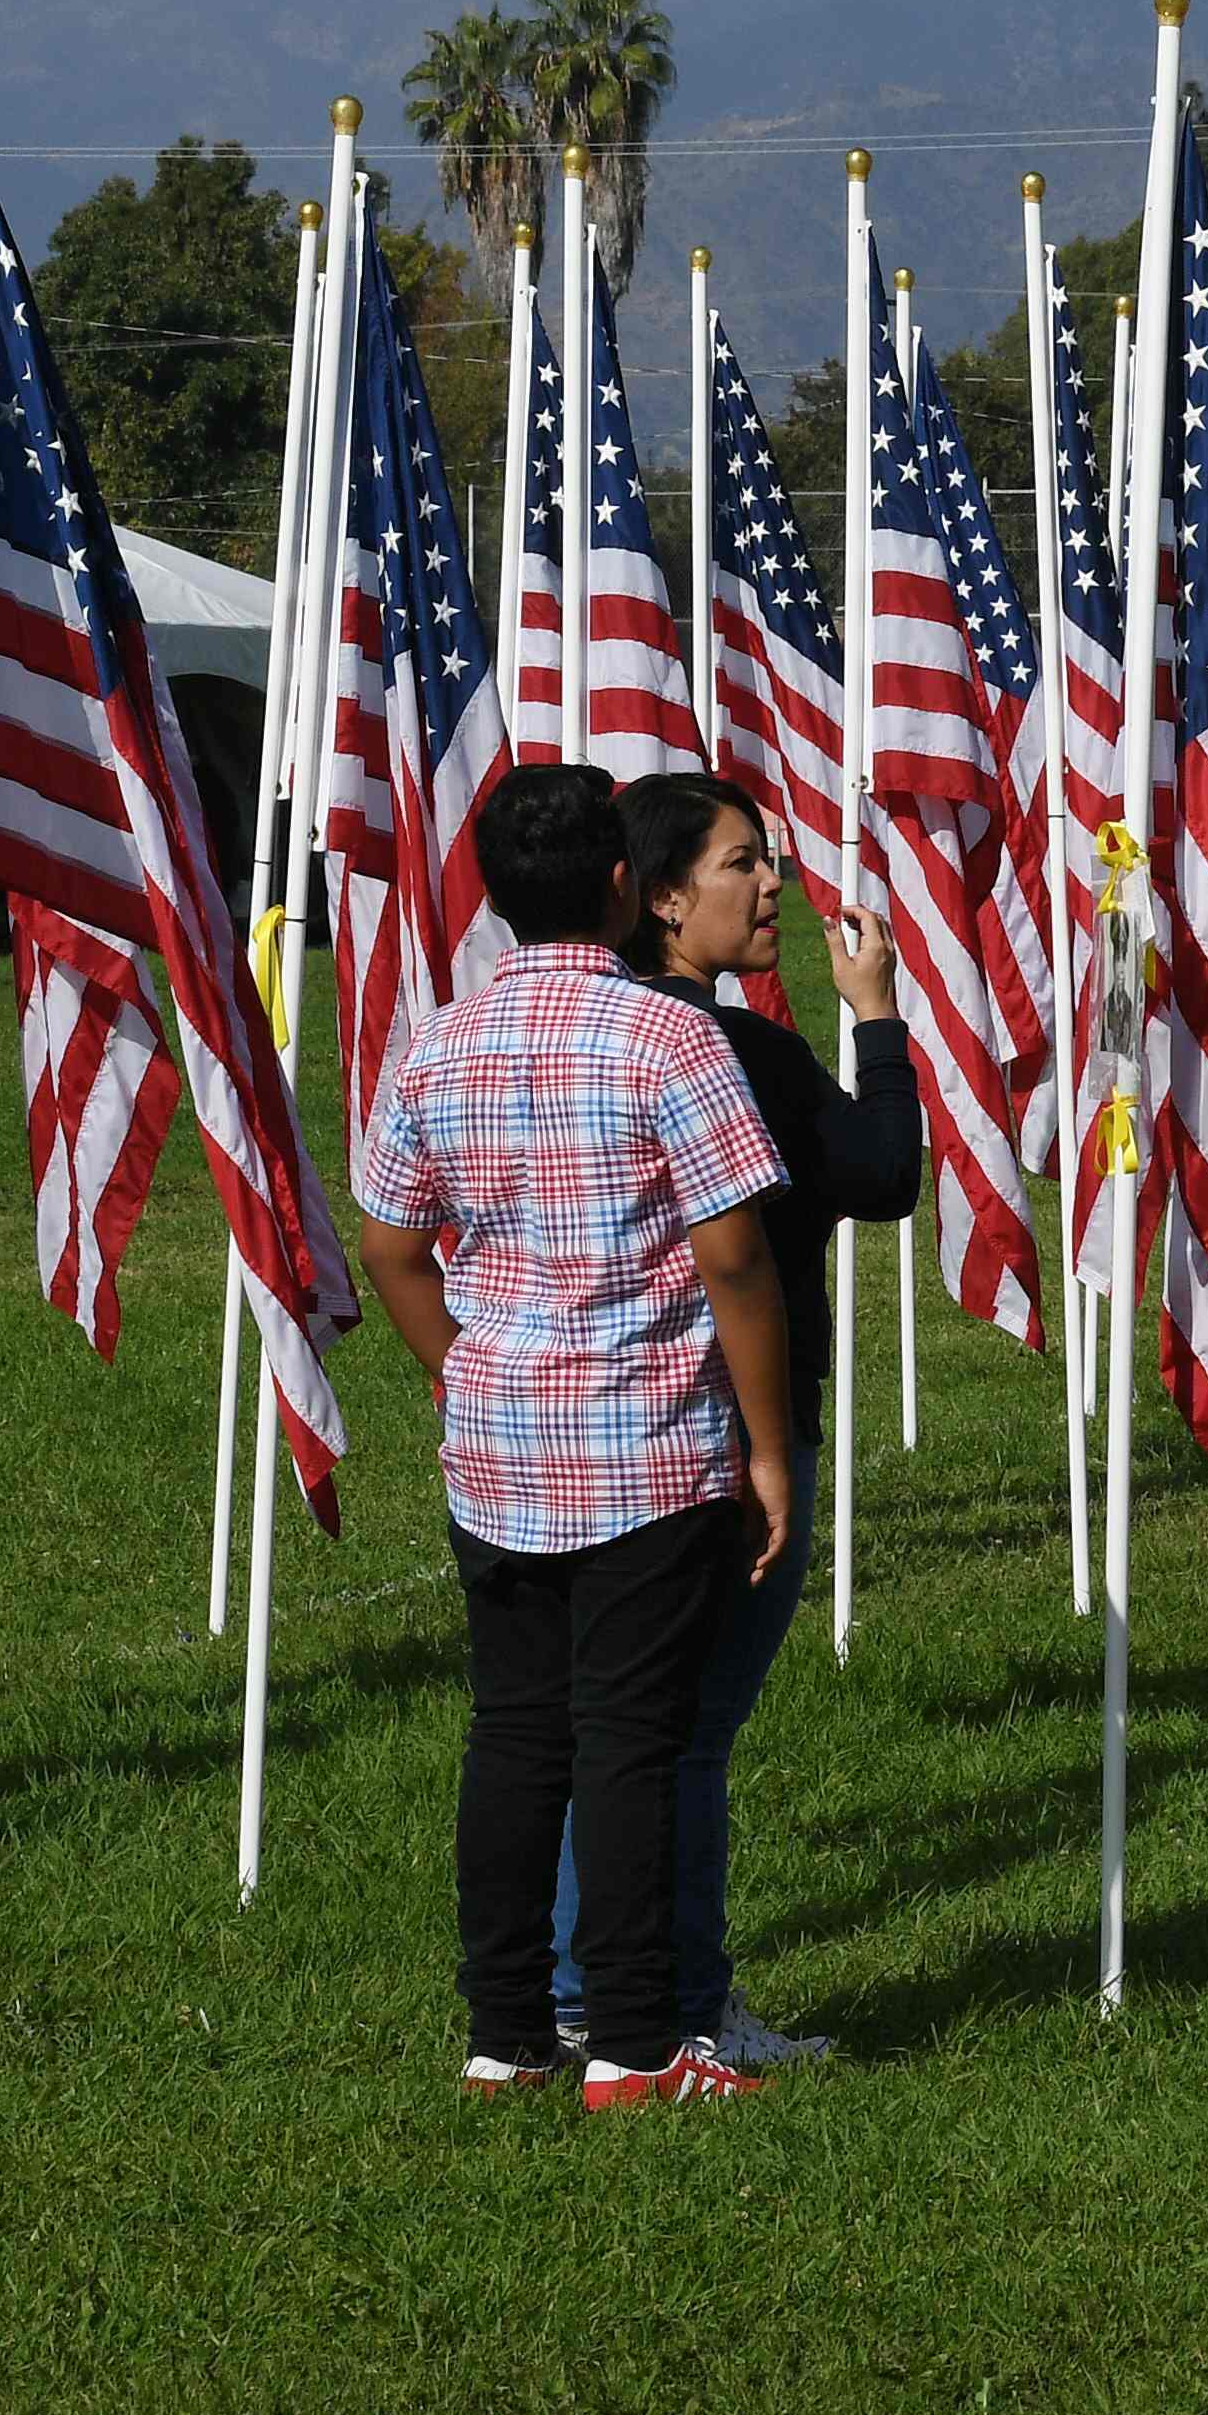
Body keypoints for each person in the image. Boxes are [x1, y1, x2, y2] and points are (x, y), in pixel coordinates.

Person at [351, 762, 799, 2111]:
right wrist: (769, 1449)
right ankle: (635, 2045)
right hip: (648, 1446)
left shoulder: (437, 1041)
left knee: (515, 1735)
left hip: (497, 1451)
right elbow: (734, 1262)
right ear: (621, 884)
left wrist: (464, 1367)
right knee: (632, 1741)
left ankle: (505, 2036)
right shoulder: (673, 1042)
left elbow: (390, 1241)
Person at [542, 772, 923, 2072]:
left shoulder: (573, 1036)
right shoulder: (727, 1048)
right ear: (658, 896)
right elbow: (879, 1174)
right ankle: (681, 2001)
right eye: (741, 865)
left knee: (595, 1724)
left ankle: (569, 1987)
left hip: (576, 1432)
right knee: (683, 1733)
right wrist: (875, 1018)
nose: (774, 887)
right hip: (726, 1434)